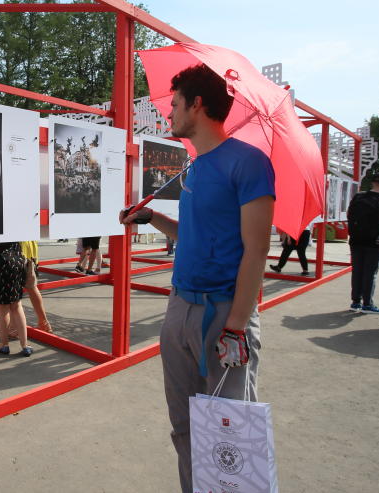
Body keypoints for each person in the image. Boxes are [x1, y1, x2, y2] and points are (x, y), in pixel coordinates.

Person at [120, 64, 274, 493]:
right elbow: (194, 235)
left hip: (226, 313)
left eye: (174, 104)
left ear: (197, 104)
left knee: (230, 433)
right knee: (184, 427)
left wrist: (237, 326)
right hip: (180, 308)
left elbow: (256, 249)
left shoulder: (248, 163)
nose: (168, 113)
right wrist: (153, 217)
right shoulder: (194, 168)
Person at [346, 172, 379, 313]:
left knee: (357, 270)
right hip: (375, 242)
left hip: (356, 240)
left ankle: (355, 302)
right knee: (370, 272)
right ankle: (367, 304)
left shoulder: (358, 197)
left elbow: (349, 214)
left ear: (372, 183)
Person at [0, 242, 33, 357]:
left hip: (0, 260)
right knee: (17, 305)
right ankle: (25, 345)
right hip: (17, 258)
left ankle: (4, 344)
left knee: (2, 308)